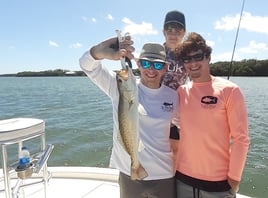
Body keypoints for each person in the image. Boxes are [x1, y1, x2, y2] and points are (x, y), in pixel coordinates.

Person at [79, 35, 179, 198]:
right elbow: (87, 66)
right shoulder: (117, 86)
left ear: (165, 67)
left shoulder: (173, 96)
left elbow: (184, 125)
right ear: (139, 64)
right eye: (146, 63)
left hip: (164, 173)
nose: (151, 70)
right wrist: (100, 50)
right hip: (129, 171)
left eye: (158, 65)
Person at [175, 32, 250, 198]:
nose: (192, 63)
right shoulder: (181, 91)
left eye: (198, 57)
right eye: (187, 59)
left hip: (219, 183)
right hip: (182, 179)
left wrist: (234, 179)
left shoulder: (230, 90)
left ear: (208, 57)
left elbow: (241, 139)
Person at [162, 10, 188, 170]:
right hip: (156, 106)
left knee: (176, 149)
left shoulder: (188, 54)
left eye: (177, 31)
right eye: (169, 30)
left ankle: (174, 181)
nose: (173, 34)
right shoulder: (156, 51)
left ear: (184, 32)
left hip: (178, 109)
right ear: (163, 31)